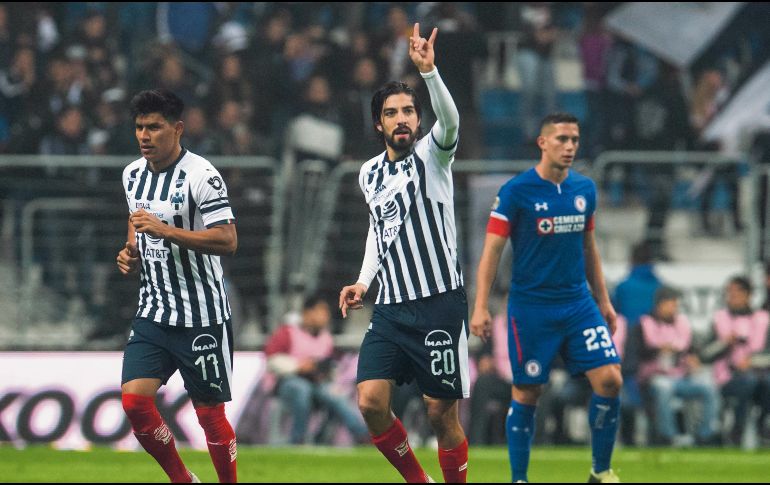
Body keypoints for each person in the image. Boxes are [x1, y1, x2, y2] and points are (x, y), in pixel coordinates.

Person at [338, 23, 469, 484]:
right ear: (379, 123)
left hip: (439, 303)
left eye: (409, 111)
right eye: (391, 113)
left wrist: (429, 73)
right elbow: (380, 230)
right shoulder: (368, 173)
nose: (402, 119)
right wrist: (363, 280)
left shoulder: (434, 155)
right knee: (371, 402)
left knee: (440, 414)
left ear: (418, 118)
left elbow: (451, 122)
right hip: (391, 308)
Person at [471, 113, 623, 483]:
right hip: (532, 308)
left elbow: (589, 247)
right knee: (528, 392)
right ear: (542, 143)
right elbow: (492, 251)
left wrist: (603, 300)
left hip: (578, 304)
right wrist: (480, 306)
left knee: (610, 379)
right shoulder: (516, 191)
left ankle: (600, 471)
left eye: (574, 140)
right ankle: (519, 479)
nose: (569, 147)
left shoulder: (584, 189)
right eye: (561, 139)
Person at [116, 89, 238, 483]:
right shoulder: (132, 174)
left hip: (202, 315)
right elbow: (138, 222)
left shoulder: (202, 175)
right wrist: (131, 251)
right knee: (134, 403)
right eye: (139, 127)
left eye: (154, 127)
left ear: (178, 128)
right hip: (153, 312)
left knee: (209, 415)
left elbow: (228, 240)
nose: (144, 136)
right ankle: (183, 479)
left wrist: (166, 231)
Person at [264, 294, 369, 444]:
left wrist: (327, 374)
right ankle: (298, 440)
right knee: (301, 389)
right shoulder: (288, 332)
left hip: (317, 382)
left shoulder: (326, 338)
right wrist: (298, 366)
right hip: (288, 382)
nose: (326, 317)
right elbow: (272, 360)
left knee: (336, 396)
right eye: (321, 312)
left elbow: (331, 365)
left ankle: (360, 435)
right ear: (307, 312)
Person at [638, 286, 719, 446]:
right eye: (670, 304)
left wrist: (693, 360)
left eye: (675, 305)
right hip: (655, 376)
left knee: (709, 388)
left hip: (682, 376)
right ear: (659, 304)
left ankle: (704, 435)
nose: (673, 309)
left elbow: (692, 349)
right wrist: (659, 350)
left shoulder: (682, 323)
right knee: (664, 389)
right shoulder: (645, 323)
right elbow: (637, 354)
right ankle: (669, 436)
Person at [704, 276, 769, 446]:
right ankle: (737, 430)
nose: (731, 297)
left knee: (765, 382)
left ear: (748, 295)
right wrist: (724, 343)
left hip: (759, 374)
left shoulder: (763, 319)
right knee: (748, 382)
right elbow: (705, 354)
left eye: (736, 293)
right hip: (727, 377)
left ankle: (763, 426)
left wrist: (752, 361)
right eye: (729, 293)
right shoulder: (720, 318)